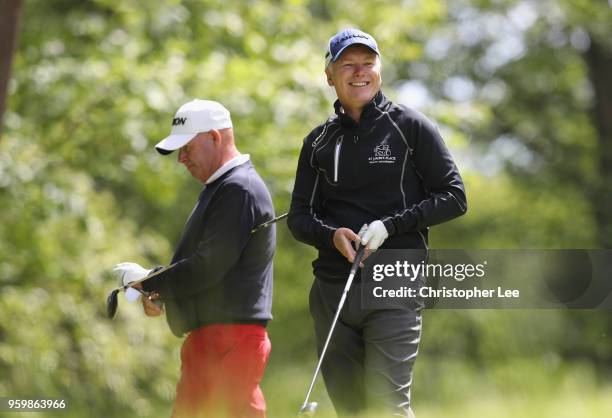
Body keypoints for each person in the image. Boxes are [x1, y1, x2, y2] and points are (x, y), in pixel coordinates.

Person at [287, 29, 467, 417]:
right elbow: (299, 217)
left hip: (395, 282)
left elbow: (454, 197)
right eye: (348, 64)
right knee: (351, 410)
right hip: (332, 289)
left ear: (379, 71)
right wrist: (330, 235)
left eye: (368, 63)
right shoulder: (317, 142)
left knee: (388, 406)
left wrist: (391, 226)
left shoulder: (411, 127)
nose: (359, 72)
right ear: (329, 75)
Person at [113, 99, 275, 418]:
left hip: (230, 342)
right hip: (212, 341)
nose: (180, 159)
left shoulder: (238, 189)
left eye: (186, 148)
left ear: (215, 137)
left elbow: (208, 266)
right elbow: (210, 266)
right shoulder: (222, 188)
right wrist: (155, 286)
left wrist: (149, 283)